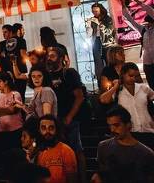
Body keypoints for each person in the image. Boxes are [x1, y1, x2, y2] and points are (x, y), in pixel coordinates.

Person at [46, 45, 88, 181]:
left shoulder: (69, 73)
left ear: (60, 58)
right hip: (56, 119)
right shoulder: (48, 75)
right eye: (48, 56)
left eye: (52, 56)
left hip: (71, 118)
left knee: (76, 149)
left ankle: (82, 178)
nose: (49, 59)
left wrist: (69, 117)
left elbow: (79, 96)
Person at [92, 105, 154, 183]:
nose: (112, 129)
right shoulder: (103, 146)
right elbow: (100, 173)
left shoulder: (146, 153)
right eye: (109, 125)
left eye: (116, 125)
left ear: (128, 125)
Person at [99, 62, 154, 137]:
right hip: (129, 132)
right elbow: (103, 100)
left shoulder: (143, 88)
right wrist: (116, 85)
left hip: (149, 131)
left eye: (136, 76)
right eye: (131, 75)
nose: (134, 78)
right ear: (123, 75)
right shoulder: (118, 91)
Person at [121, 0, 154, 90]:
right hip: (148, 64)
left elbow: (148, 9)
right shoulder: (143, 30)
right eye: (146, 23)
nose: (147, 25)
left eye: (149, 22)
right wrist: (123, 4)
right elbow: (129, 19)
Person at [36, 114, 77, 183]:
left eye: (51, 128)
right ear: (39, 131)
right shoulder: (39, 154)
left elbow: (72, 179)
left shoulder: (66, 151)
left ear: (56, 130)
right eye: (43, 128)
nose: (47, 131)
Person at [86, 2, 116, 88]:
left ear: (101, 10)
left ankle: (113, 82)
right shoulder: (93, 20)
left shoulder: (107, 19)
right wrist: (88, 26)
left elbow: (109, 32)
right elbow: (88, 35)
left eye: (96, 11)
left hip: (107, 43)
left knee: (109, 62)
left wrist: (99, 23)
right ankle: (101, 84)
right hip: (96, 42)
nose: (94, 13)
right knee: (98, 64)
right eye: (93, 11)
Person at [0, 71, 24, 151]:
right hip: (2, 130)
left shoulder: (15, 94)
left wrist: (0, 111)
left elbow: (13, 110)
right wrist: (7, 110)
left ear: (6, 81)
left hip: (16, 130)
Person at [0, 24, 29, 99]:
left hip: (13, 71)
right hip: (14, 71)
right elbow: (23, 55)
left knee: (13, 95)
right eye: (3, 32)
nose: (3, 34)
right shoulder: (21, 40)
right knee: (18, 95)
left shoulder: (2, 44)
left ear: (11, 32)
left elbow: (2, 58)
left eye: (5, 32)